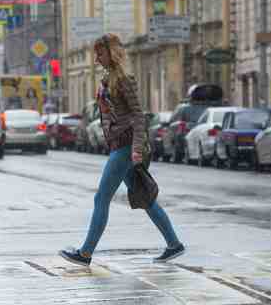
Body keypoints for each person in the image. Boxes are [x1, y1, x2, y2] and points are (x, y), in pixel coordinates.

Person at [59, 33, 185, 266]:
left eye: (100, 53)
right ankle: (174, 244)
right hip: (120, 145)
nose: (96, 58)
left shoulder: (124, 80)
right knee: (145, 198)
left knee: (101, 198)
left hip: (126, 147)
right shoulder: (109, 78)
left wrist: (137, 149)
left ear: (111, 53)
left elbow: (138, 116)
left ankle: (85, 253)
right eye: (95, 54)